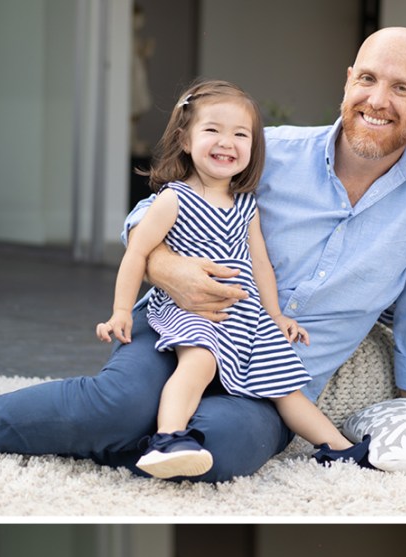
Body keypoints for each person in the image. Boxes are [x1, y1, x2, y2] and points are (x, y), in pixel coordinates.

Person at [0, 27, 406, 483]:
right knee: (119, 407)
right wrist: (168, 268)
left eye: (402, 89)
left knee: (220, 449)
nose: (377, 100)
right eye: (367, 78)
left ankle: (139, 441)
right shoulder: (267, 150)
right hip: (179, 325)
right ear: (347, 81)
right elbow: (148, 216)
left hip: (270, 378)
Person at [97, 78, 367, 479]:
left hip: (245, 317)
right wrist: (120, 310)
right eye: (213, 130)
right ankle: (168, 438)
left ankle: (340, 449)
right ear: (185, 140)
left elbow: (260, 266)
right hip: (196, 311)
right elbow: (137, 252)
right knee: (200, 363)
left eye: (240, 134)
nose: (227, 142)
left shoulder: (245, 204)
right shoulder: (175, 198)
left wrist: (277, 316)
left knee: (286, 384)